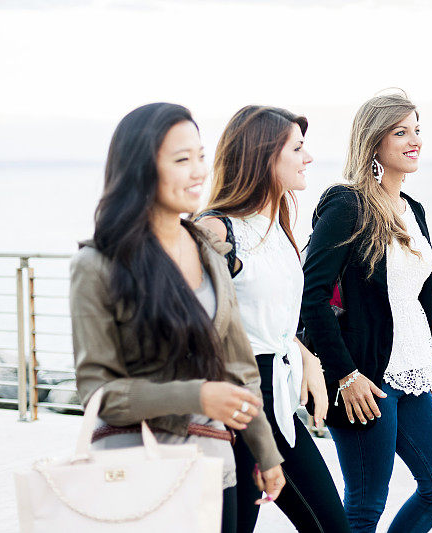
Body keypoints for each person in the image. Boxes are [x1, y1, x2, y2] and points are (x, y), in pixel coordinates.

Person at [70, 103, 285, 533]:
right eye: (181, 160)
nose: (198, 172)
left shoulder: (210, 253)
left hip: (214, 467)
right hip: (140, 471)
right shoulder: (98, 265)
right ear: (140, 169)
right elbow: (98, 392)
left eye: (201, 156)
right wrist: (198, 396)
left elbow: (241, 369)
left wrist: (266, 451)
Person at [300, 92, 432, 533]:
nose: (415, 141)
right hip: (363, 375)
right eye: (401, 131)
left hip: (411, 372)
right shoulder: (346, 204)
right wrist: (345, 375)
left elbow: (417, 301)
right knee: (366, 504)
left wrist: (430, 374)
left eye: (417, 130)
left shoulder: (415, 211)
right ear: (374, 142)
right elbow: (310, 296)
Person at [197, 105, 350, 533]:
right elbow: (199, 327)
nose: (309, 158)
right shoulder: (215, 231)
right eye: (298, 148)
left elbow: (272, 318)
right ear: (264, 156)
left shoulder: (279, 227)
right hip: (239, 397)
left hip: (279, 400)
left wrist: (305, 355)